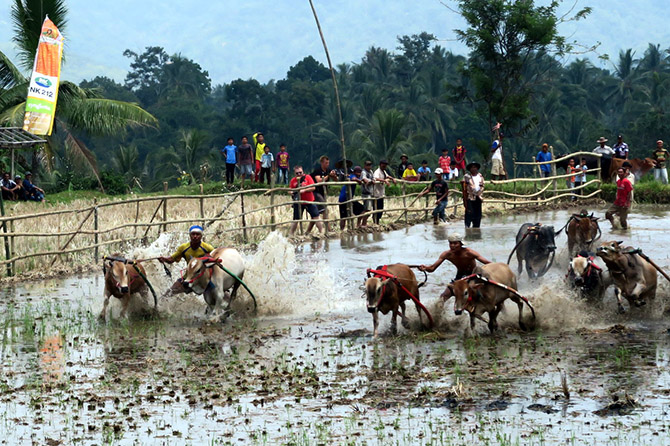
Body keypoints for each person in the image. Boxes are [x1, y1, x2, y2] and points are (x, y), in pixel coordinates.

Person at [418, 232, 491, 300]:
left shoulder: (469, 253)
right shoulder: (447, 254)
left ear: (461, 244)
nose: (452, 246)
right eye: (450, 243)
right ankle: (437, 313)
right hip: (460, 276)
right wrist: (425, 268)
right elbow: (432, 268)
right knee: (444, 296)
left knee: (476, 297)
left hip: (472, 276)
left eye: (455, 243)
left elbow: (487, 263)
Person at [158, 225, 215, 296]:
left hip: (205, 279)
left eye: (197, 234)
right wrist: (164, 259)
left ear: (201, 236)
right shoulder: (183, 248)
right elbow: (171, 259)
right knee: (169, 293)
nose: (195, 236)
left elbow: (216, 260)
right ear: (190, 235)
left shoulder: (208, 248)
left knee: (220, 295)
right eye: (193, 234)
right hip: (188, 278)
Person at [289, 166, 324, 235]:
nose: (299, 174)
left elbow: (313, 187)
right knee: (296, 219)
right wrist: (292, 192)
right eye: (297, 173)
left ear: (303, 172)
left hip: (309, 201)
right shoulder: (293, 180)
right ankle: (291, 234)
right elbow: (290, 190)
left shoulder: (308, 177)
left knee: (316, 216)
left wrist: (304, 190)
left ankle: (321, 232)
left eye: (300, 172)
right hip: (298, 202)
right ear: (294, 173)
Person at [310, 155, 338, 225]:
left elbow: (336, 180)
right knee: (325, 210)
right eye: (326, 163)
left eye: (328, 163)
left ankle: (308, 231)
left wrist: (333, 176)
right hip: (315, 192)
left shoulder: (328, 170)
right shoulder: (317, 171)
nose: (327, 164)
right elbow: (319, 181)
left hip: (323, 193)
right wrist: (328, 176)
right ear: (322, 163)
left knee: (315, 214)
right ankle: (328, 229)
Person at [372, 159, 395, 224]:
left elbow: (387, 176)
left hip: (381, 193)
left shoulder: (383, 171)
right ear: (380, 164)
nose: (384, 166)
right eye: (383, 165)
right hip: (376, 194)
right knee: (376, 209)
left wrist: (392, 178)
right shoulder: (377, 171)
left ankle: (377, 222)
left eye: (385, 165)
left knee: (380, 209)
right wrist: (384, 180)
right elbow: (376, 178)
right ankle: (375, 222)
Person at [463, 162, 484, 228]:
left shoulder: (480, 177)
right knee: (469, 212)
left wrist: (479, 193)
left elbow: (482, 186)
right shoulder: (467, 177)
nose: (473, 169)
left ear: (477, 168)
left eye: (475, 167)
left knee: (478, 214)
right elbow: (464, 187)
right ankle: (467, 227)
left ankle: (476, 227)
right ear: (470, 169)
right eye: (472, 167)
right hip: (470, 197)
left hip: (478, 197)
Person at [360, 160, 375, 226]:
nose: (369, 167)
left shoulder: (371, 172)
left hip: (371, 192)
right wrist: (370, 181)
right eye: (367, 165)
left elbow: (374, 178)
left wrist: (373, 180)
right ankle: (363, 223)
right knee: (367, 210)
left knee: (368, 210)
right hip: (366, 193)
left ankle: (364, 223)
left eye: (370, 165)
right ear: (365, 166)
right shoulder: (363, 172)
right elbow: (364, 179)